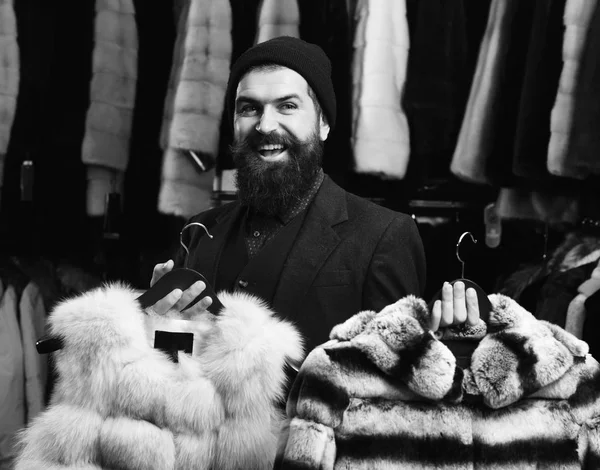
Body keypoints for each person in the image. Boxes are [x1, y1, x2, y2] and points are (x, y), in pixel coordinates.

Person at [149, 36, 480, 353]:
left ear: (323, 123)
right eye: (249, 108)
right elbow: (171, 371)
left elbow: (393, 382)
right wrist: (156, 323)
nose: (265, 125)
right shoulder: (197, 233)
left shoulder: (384, 236)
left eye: (287, 106)